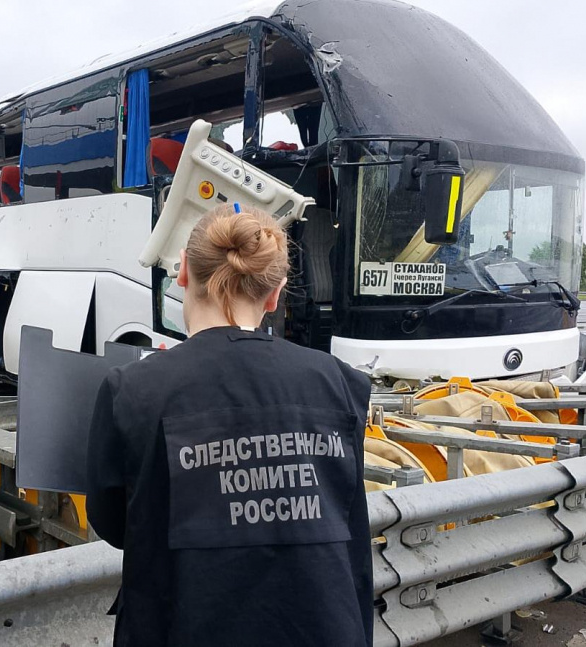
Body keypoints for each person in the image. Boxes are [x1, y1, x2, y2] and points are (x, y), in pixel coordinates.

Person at [86, 203, 373, 647]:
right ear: (274, 294)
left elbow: (112, 523)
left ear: (183, 270)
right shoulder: (341, 383)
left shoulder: (133, 389)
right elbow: (345, 514)